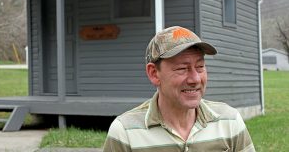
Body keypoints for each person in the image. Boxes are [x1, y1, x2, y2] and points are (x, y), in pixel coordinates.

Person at [103, 26, 255, 152]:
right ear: (154, 74)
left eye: (200, 67)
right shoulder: (125, 132)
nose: (195, 79)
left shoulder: (229, 121)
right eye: (182, 68)